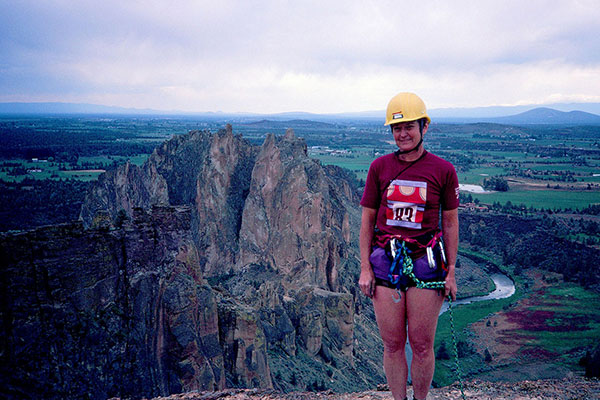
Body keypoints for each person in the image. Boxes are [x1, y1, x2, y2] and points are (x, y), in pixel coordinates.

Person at [358, 92, 459, 400]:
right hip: (386, 261)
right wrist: (364, 267)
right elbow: (367, 221)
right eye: (396, 129)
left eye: (409, 127)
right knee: (392, 344)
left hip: (426, 261)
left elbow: (451, 223)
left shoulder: (442, 170)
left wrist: (452, 271)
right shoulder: (379, 168)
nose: (402, 134)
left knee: (422, 345)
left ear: (424, 127)